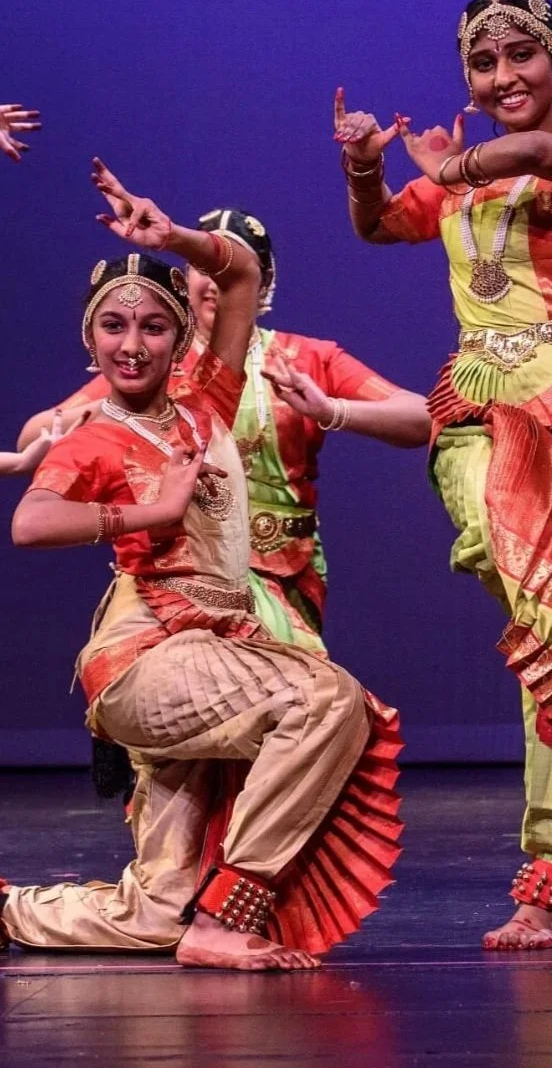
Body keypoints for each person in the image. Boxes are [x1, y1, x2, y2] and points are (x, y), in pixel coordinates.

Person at [1, 161, 403, 970]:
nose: (133, 344)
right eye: (113, 327)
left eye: (154, 325)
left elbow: (241, 269)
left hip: (209, 651)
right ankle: (226, 918)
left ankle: (13, 909)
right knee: (326, 700)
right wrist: (150, 510)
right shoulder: (93, 435)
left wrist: (175, 236)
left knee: (155, 907)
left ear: (182, 334)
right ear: (90, 338)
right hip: (142, 658)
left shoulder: (207, 402)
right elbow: (30, 523)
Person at [334, 0, 552, 950]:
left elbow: (542, 153)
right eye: (484, 63)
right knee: (516, 563)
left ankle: (551, 870)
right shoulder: (454, 178)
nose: (503, 77)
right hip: (479, 392)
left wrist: (455, 161)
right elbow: (379, 223)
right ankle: (535, 610)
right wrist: (362, 169)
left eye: (522, 56)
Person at [20, 209, 431, 653]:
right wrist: (118, 416)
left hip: (287, 568)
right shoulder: (150, 367)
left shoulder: (304, 359)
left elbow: (421, 417)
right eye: (202, 266)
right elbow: (36, 439)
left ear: (263, 280)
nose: (213, 280)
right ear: (184, 280)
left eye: (224, 266)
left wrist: (332, 410)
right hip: (181, 570)